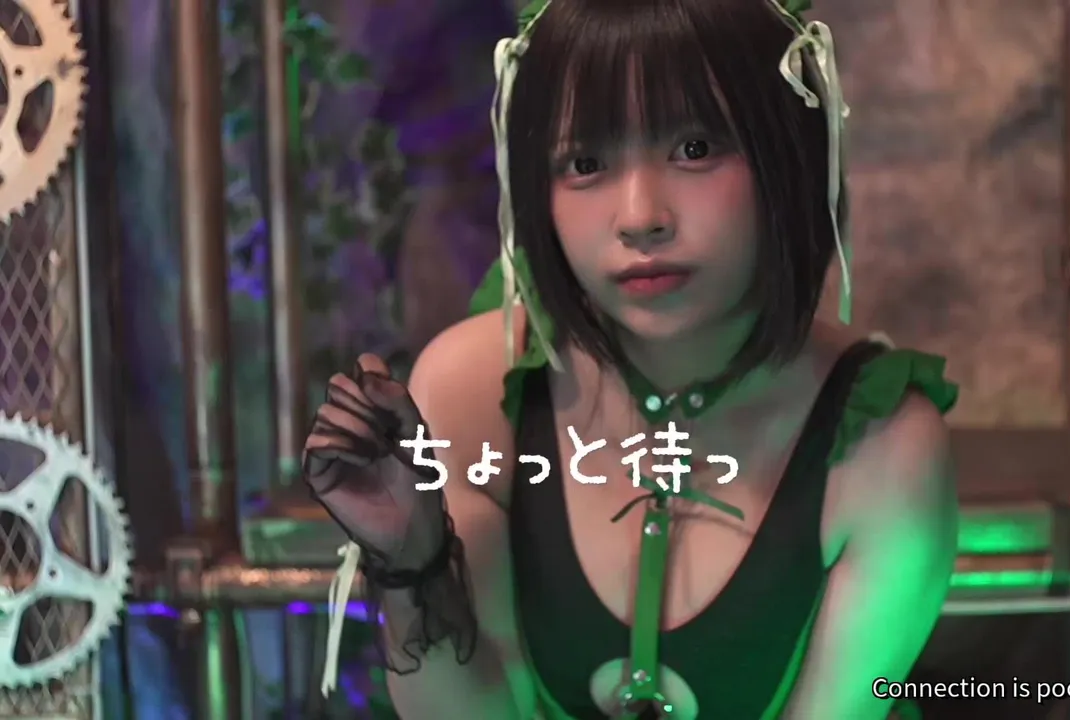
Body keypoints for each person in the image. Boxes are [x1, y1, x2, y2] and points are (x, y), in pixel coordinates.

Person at [304, 0, 960, 717]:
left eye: (695, 148)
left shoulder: (882, 447)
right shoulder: (473, 391)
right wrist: (412, 566)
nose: (641, 216)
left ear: (792, 150)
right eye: (585, 163)